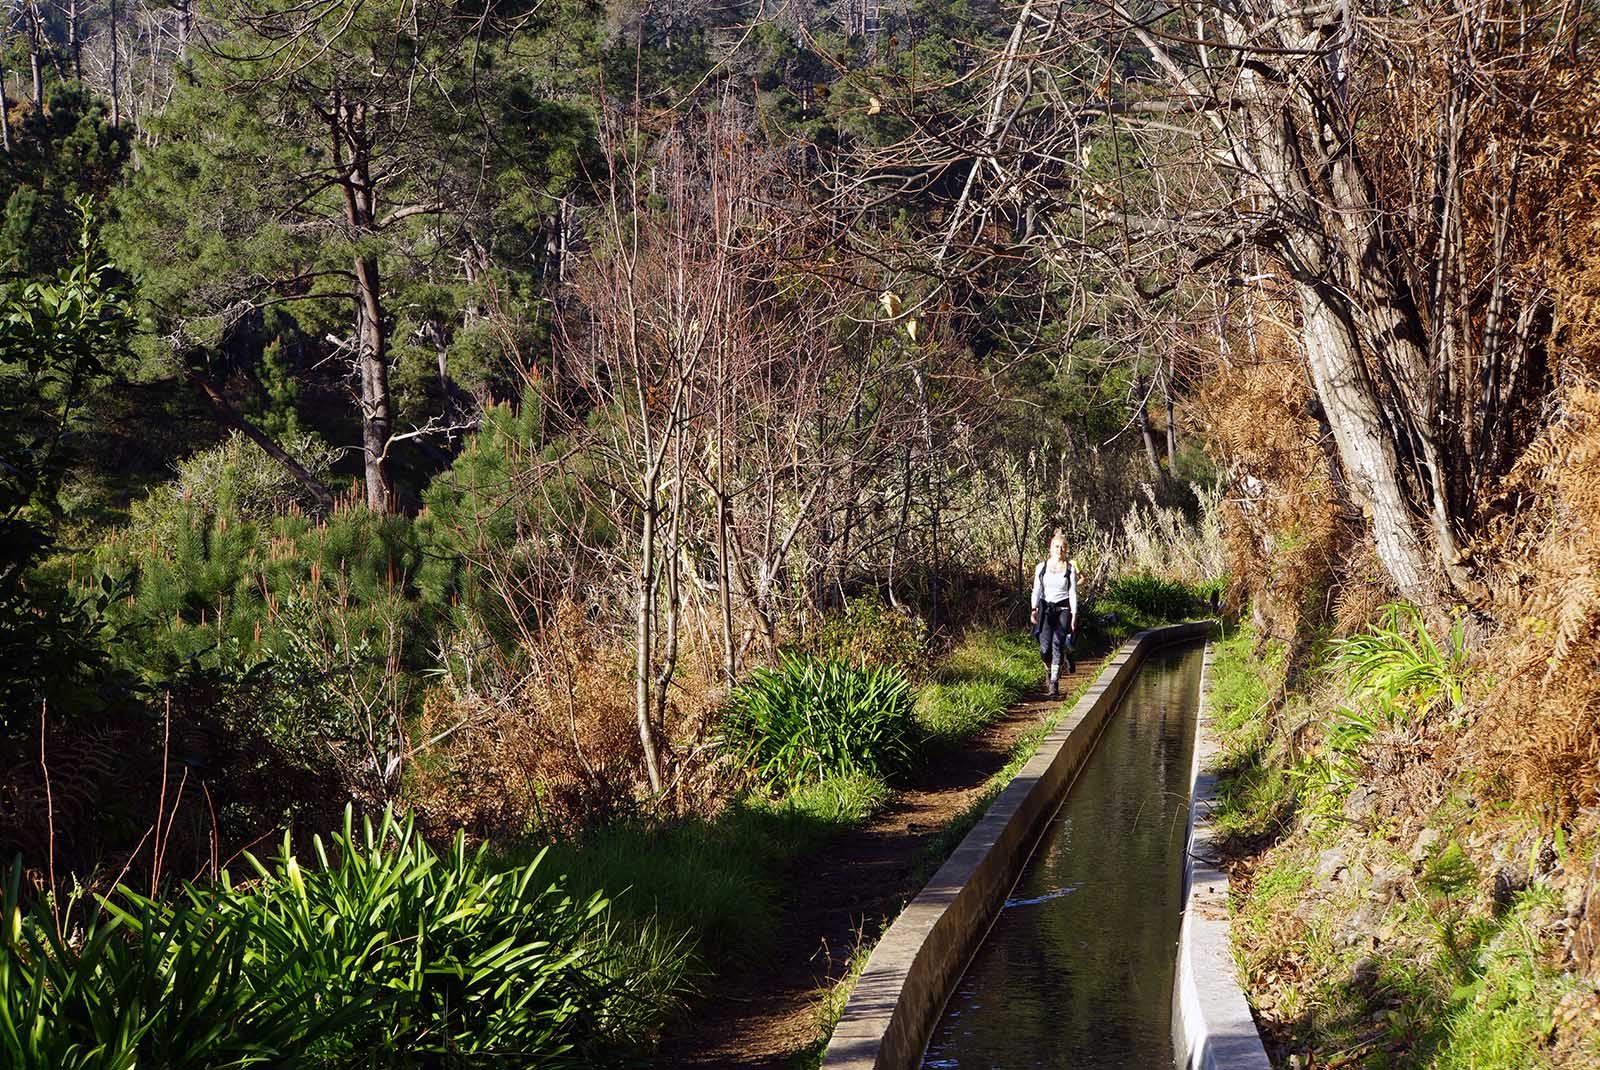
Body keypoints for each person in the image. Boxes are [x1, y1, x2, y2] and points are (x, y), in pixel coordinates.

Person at [1030, 529, 1078, 697]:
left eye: (1063, 547)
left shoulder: (1070, 569)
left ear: (1067, 549)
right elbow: (1036, 590)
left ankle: (1054, 683)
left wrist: (1074, 614)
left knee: (1058, 643)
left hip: (1063, 609)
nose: (1060, 550)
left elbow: (1072, 592)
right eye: (1057, 546)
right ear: (1050, 548)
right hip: (1045, 609)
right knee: (1045, 650)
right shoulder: (1041, 567)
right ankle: (1048, 670)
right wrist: (1034, 609)